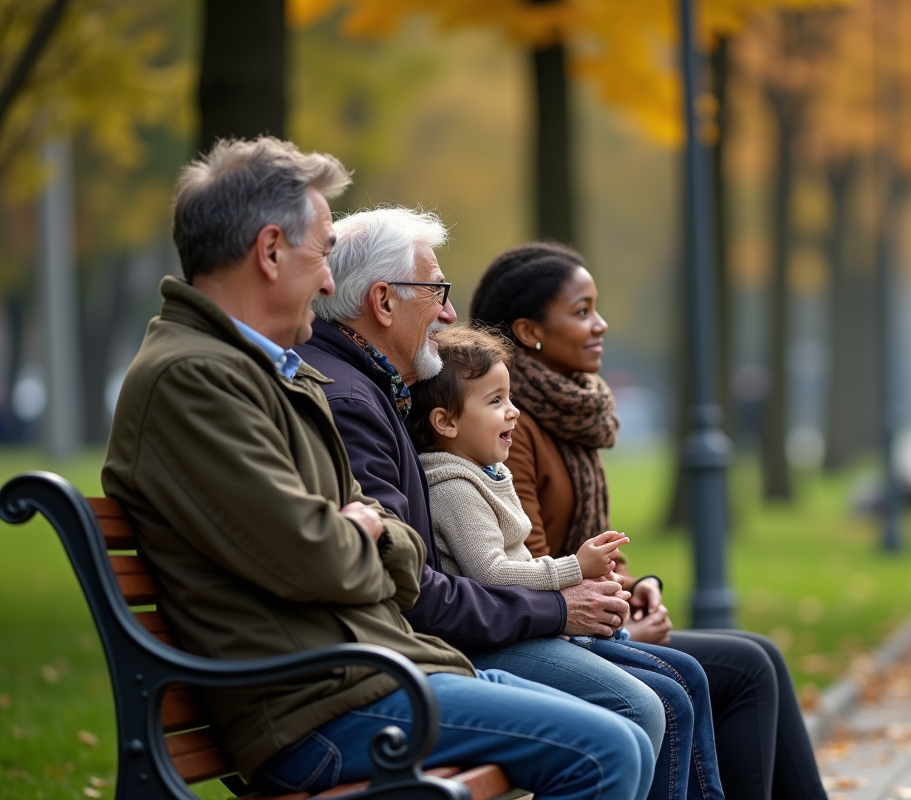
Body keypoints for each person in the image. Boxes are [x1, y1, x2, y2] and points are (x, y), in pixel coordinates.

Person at [102, 138, 653, 800]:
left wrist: (365, 530)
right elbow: (313, 554)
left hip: (377, 674)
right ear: (271, 251)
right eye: (323, 250)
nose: (332, 281)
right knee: (605, 748)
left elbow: (388, 544)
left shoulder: (272, 372)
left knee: (628, 725)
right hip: (323, 707)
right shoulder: (196, 380)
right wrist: (356, 532)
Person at [294, 206, 716, 800]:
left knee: (684, 687)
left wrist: (613, 592)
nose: (447, 311)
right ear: (384, 302)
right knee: (635, 716)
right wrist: (568, 608)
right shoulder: (359, 401)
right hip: (396, 670)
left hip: (421, 653)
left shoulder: (384, 392)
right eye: (435, 291)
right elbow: (425, 584)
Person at [471, 242, 829, 800]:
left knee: (762, 657)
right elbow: (533, 568)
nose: (601, 325)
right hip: (556, 633)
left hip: (589, 622)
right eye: (582, 310)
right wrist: (625, 629)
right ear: (528, 330)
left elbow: (598, 555)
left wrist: (641, 589)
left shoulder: (571, 417)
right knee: (742, 671)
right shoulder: (509, 430)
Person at [409, 326, 726, 800]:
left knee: (687, 678)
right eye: (495, 401)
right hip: (495, 641)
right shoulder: (452, 486)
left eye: (510, 397)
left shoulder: (485, 471)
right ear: (446, 422)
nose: (512, 410)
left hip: (531, 628)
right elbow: (491, 574)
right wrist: (573, 568)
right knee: (665, 698)